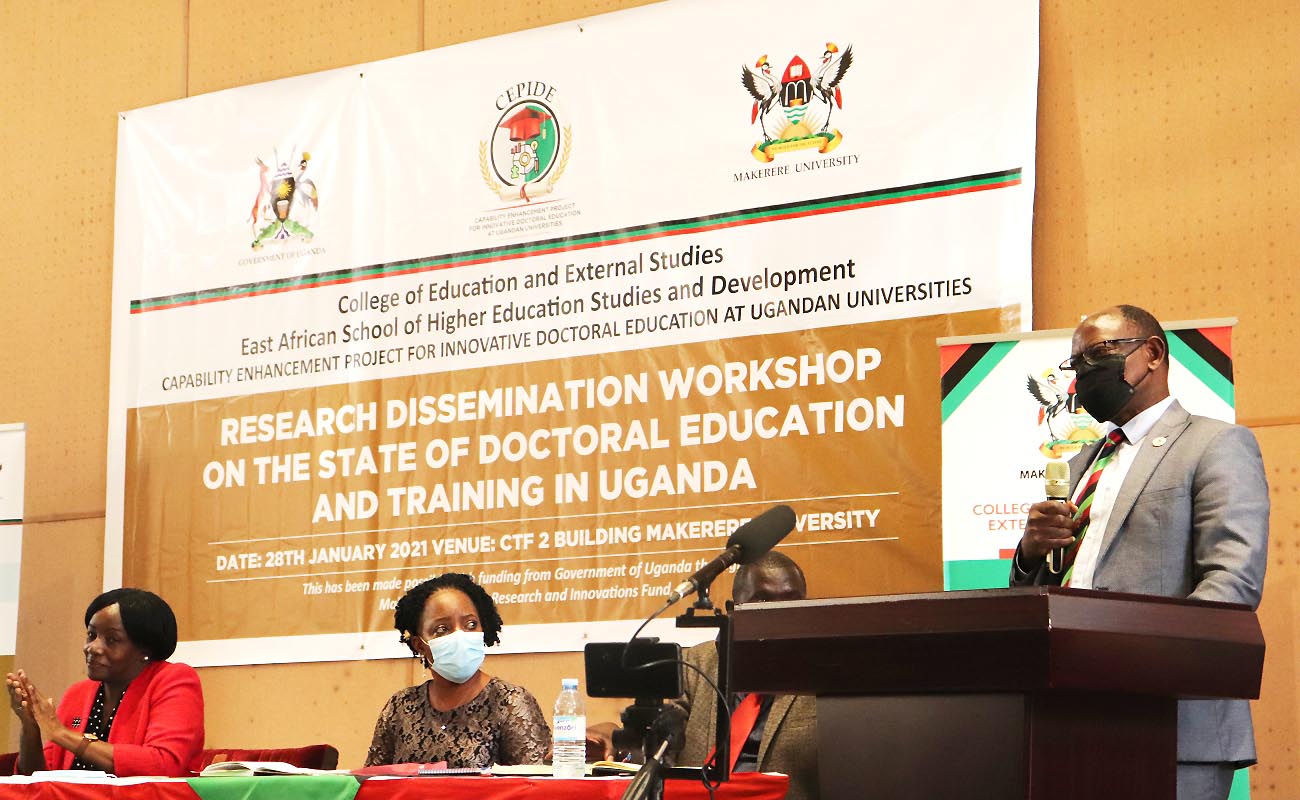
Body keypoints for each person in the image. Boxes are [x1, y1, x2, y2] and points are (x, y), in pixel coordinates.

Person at [1010, 304, 1269, 800]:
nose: (1085, 372)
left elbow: (1231, 586)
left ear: (1152, 353)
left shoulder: (1216, 444)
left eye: (1100, 353)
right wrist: (1030, 552)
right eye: (1076, 363)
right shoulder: (1082, 462)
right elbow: (1050, 589)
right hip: (1069, 721)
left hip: (1169, 723)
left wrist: (1135, 669)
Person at [592, 551, 818, 800]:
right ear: (733, 610)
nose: (778, 615)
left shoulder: (825, 671)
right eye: (763, 602)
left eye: (790, 601)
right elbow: (663, 746)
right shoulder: (697, 663)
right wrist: (632, 733)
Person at [4, 588, 205, 777]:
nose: (92, 647)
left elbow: (163, 764)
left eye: (111, 639)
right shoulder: (77, 694)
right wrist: (30, 726)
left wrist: (62, 733)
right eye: (91, 635)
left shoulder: (173, 680)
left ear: (145, 649)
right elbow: (36, 780)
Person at [365, 572, 549, 768]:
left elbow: (536, 785)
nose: (460, 635)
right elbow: (369, 782)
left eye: (471, 624)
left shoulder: (510, 702)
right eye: (442, 629)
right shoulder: (400, 707)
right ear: (420, 644)